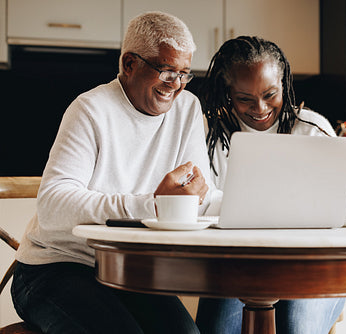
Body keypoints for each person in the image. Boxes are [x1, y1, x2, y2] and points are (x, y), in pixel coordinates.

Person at [11, 11, 215, 334]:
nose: (175, 85)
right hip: (56, 268)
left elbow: (199, 197)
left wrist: (224, 203)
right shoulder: (90, 110)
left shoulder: (187, 109)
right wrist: (154, 205)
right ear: (129, 64)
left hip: (128, 271)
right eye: (165, 70)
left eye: (184, 74)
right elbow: (52, 206)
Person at [196, 36, 345, 334]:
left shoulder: (312, 131)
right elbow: (199, 208)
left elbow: (338, 213)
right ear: (228, 93)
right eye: (245, 99)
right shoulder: (209, 135)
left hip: (312, 268)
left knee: (295, 327)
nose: (260, 108)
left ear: (284, 84)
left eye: (270, 94)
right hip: (234, 269)